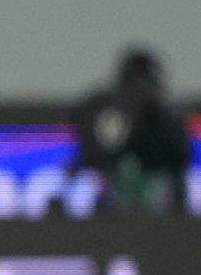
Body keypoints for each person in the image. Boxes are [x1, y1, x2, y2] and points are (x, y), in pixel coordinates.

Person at [72, 48, 192, 214]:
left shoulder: (168, 113)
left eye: (143, 79)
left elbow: (182, 155)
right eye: (133, 81)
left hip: (160, 194)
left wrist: (154, 120)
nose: (138, 89)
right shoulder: (105, 109)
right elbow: (93, 155)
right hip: (110, 198)